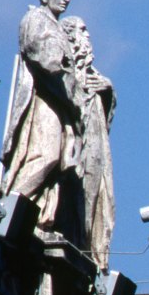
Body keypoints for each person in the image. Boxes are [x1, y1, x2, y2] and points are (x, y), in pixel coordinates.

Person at [0, 0, 83, 234]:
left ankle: (33, 218)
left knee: (56, 163)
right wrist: (61, 62)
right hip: (42, 100)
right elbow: (40, 55)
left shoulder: (56, 26)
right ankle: (9, 207)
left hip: (60, 104)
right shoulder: (35, 18)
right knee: (46, 155)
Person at [60, 15, 114, 273]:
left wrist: (107, 90)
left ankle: (92, 251)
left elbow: (106, 120)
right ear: (70, 37)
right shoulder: (66, 71)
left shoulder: (94, 76)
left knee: (100, 202)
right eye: (82, 30)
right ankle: (80, 247)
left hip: (97, 150)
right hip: (78, 150)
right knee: (79, 200)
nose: (88, 36)